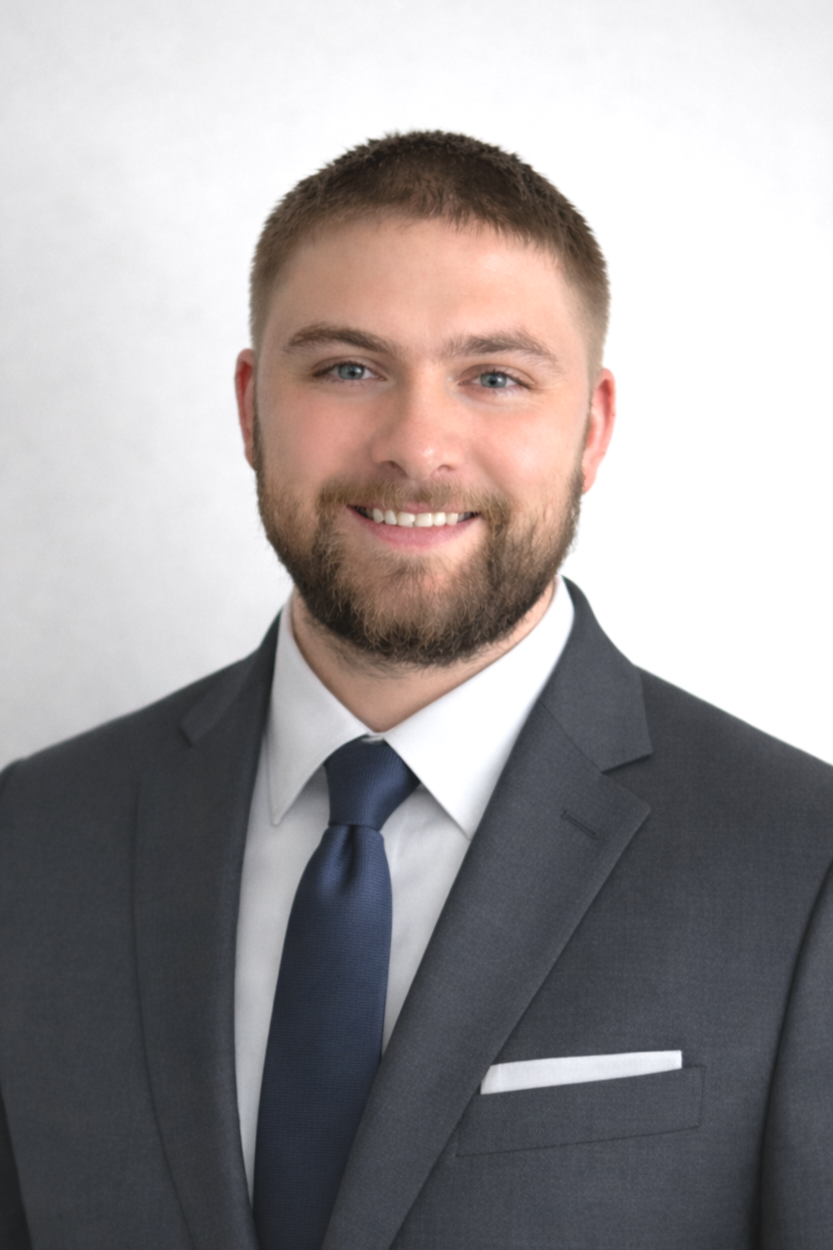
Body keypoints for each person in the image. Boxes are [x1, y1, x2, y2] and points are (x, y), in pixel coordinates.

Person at [1, 130, 833, 1250]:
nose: (417, 446)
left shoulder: (799, 862)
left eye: (494, 378)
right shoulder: (34, 834)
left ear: (590, 428)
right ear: (250, 407)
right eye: (348, 368)